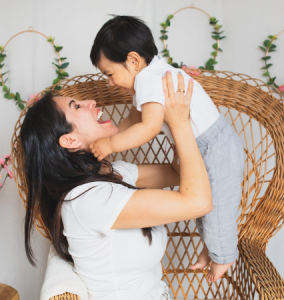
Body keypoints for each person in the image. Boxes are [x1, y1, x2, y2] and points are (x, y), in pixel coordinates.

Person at [20, 72, 212, 300]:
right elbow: (198, 202)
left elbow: (176, 172)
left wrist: (157, 99)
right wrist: (179, 123)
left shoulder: (111, 174)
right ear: (70, 140)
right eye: (77, 106)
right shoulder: (90, 199)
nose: (91, 103)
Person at [89, 15, 244, 282]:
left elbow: (147, 128)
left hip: (215, 145)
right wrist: (107, 136)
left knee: (219, 208)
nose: (109, 83)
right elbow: (132, 120)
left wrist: (111, 144)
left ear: (133, 60)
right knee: (210, 207)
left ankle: (225, 257)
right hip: (204, 145)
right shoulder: (149, 76)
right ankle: (213, 249)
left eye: (110, 74)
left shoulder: (150, 80)